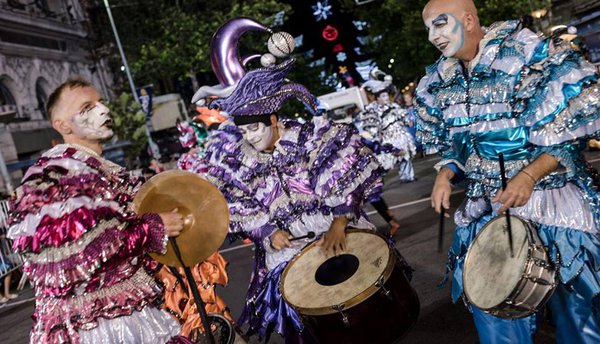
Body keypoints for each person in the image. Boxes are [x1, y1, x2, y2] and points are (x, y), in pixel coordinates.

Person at [415, 0, 600, 343]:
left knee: (578, 319)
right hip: (490, 210)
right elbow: (461, 144)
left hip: (553, 208)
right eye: (429, 27)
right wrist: (447, 172)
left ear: (468, 20)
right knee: (496, 318)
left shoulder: (525, 54)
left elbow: (569, 135)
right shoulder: (443, 78)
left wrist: (529, 175)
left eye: (440, 24)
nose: (433, 36)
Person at [191, 18, 386, 342]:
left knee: (361, 303)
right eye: (242, 131)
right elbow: (239, 202)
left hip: (333, 231)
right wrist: (268, 231)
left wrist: (340, 219)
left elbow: (343, 172)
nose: (250, 137)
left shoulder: (309, 138)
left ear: (272, 118)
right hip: (288, 250)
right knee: (303, 313)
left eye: (254, 128)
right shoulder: (239, 158)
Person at [6, 78, 192, 343]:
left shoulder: (95, 167)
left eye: (101, 102)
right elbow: (78, 258)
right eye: (87, 107)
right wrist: (151, 229)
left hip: (127, 313)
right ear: (62, 125)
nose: (103, 111)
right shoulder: (57, 173)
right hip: (97, 326)